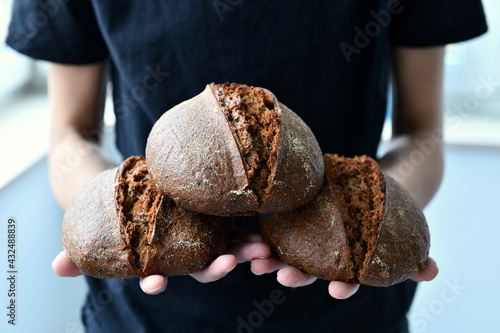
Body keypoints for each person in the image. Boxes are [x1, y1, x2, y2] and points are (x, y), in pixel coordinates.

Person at [7, 0, 487, 332]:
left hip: (351, 312)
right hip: (143, 313)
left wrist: (381, 222)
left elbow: (422, 129)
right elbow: (72, 134)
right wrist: (103, 218)